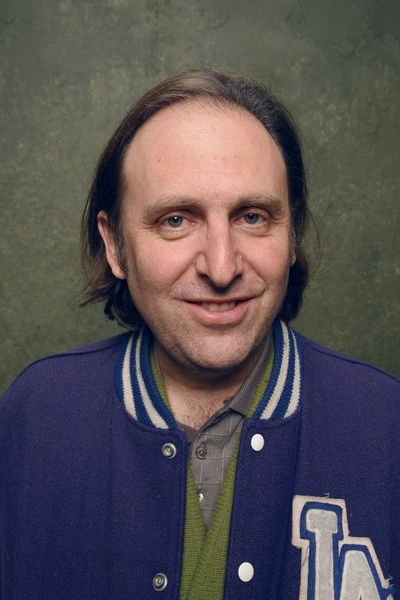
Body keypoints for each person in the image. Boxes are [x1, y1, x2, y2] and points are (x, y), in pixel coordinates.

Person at [1, 68, 399, 600]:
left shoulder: (387, 424)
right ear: (115, 245)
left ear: (292, 235)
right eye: (175, 220)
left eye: (252, 216)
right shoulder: (37, 415)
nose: (221, 266)